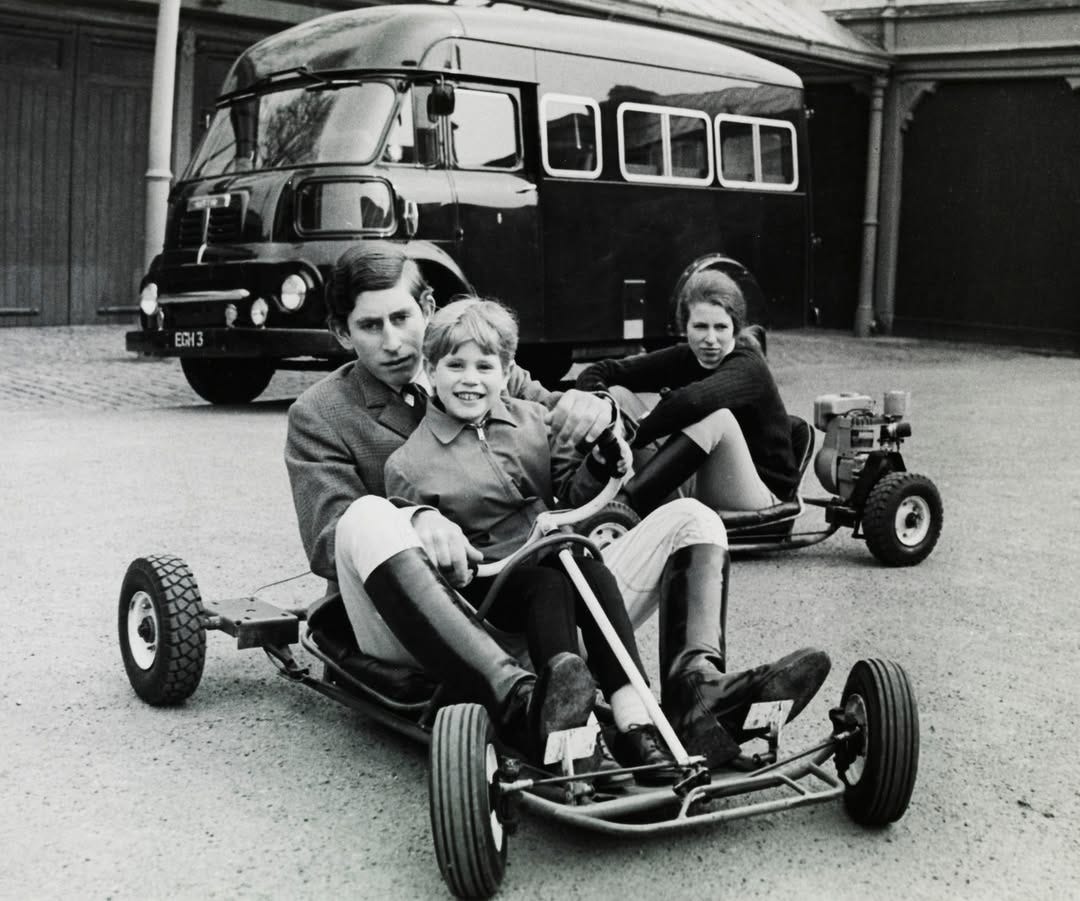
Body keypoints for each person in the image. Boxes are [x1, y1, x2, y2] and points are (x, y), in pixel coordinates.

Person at [284, 241, 829, 770]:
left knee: (694, 519)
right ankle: (519, 705)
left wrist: (600, 417)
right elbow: (329, 539)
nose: (394, 341)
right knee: (368, 515)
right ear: (339, 332)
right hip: (419, 621)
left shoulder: (480, 359)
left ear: (428, 308)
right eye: (370, 326)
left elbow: (562, 418)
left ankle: (697, 695)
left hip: (542, 598)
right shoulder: (321, 414)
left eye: (402, 318)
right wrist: (415, 519)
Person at [384, 297, 678, 778]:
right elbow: (417, 560)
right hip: (488, 586)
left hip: (552, 558)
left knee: (585, 566)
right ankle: (568, 726)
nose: (471, 379)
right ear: (430, 370)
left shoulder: (529, 421)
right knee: (551, 581)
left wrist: (602, 462)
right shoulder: (409, 463)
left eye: (485, 366)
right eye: (454, 365)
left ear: (505, 372)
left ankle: (634, 722)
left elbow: (569, 493)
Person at [575, 268, 799, 515]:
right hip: (701, 479)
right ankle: (587, 493)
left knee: (717, 418)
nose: (711, 339)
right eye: (701, 326)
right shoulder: (686, 356)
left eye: (721, 327)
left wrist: (631, 434)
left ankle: (624, 508)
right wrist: (604, 408)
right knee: (617, 395)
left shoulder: (748, 366)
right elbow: (598, 371)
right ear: (685, 327)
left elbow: (692, 402)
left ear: (734, 329)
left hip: (762, 499)